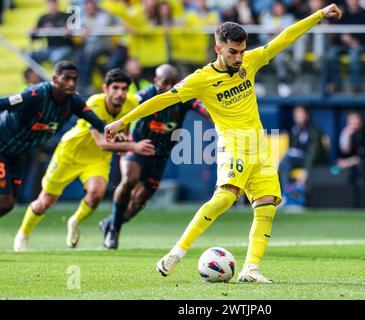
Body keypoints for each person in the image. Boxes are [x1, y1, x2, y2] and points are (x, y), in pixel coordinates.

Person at [105, 4, 343, 283]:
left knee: (266, 206)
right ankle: (176, 253)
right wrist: (122, 121)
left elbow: (285, 37)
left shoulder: (250, 62)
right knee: (225, 198)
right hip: (233, 146)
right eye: (233, 52)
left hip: (260, 147)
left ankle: (251, 269)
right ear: (219, 49)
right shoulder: (201, 79)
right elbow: (162, 99)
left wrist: (318, 15)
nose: (240, 57)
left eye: (242, 51)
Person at [13, 69, 155, 252]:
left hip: (97, 159)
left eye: (124, 89)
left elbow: (124, 128)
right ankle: (23, 234)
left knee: (96, 195)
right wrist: (133, 147)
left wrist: (125, 141)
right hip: (71, 154)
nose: (120, 93)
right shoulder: (94, 103)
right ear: (105, 88)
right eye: (116, 88)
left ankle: (75, 221)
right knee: (46, 201)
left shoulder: (132, 103)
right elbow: (102, 142)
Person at [100, 64, 212, 249]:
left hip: (161, 154)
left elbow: (204, 109)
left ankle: (111, 222)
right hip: (138, 146)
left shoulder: (183, 96)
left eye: (172, 83)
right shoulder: (145, 94)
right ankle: (114, 232)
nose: (168, 88)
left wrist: (217, 121)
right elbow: (123, 108)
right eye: (164, 83)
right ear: (155, 81)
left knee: (139, 201)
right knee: (129, 179)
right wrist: (121, 131)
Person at [0, 61, 105, 218]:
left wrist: (119, 135)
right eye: (66, 78)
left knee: (8, 204)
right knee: (4, 199)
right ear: (54, 79)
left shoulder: (73, 102)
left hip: (18, 153)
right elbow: (4, 103)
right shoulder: (36, 94)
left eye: (74, 79)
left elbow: (98, 123)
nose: (71, 84)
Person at [278, 105, 329, 195]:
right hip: (299, 159)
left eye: (301, 113)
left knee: (286, 160)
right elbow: (293, 148)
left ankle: (286, 194)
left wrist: (306, 170)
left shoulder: (314, 130)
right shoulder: (294, 129)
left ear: (307, 115)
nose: (298, 116)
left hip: (315, 161)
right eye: (296, 114)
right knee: (284, 163)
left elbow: (313, 153)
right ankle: (288, 193)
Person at [30, 0, 74, 65]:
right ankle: (39, 74)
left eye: (54, 4)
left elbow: (75, 35)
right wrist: (34, 31)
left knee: (56, 57)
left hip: (65, 46)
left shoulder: (66, 16)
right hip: (50, 47)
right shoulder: (43, 18)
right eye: (50, 4)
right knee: (31, 55)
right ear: (47, 5)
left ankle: (55, 75)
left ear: (58, 4)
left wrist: (68, 32)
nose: (53, 6)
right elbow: (34, 38)